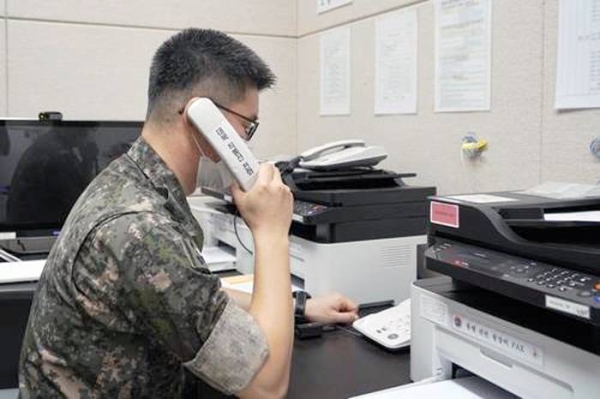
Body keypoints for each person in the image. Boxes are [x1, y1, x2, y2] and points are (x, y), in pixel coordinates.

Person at [18, 28, 359, 398]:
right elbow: (266, 386)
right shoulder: (140, 227)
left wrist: (300, 307)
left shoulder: (129, 180)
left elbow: (196, 298)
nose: (246, 144)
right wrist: (271, 232)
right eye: (246, 127)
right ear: (203, 119)